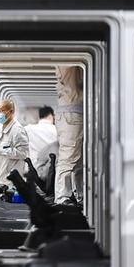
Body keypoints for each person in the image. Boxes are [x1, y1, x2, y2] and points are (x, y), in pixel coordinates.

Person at [54, 66, 84, 205]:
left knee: (79, 160)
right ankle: (62, 198)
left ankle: (81, 196)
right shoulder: (71, 62)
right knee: (68, 157)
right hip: (72, 113)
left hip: (73, 112)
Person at [0, 99, 29, 187]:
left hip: (11, 181)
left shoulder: (18, 130)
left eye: (1, 110)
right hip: (0, 178)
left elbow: (23, 153)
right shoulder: (0, 128)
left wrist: (0, 152)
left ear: (11, 112)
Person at [25, 105, 59, 181]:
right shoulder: (57, 130)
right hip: (50, 171)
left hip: (32, 169)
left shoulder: (28, 129)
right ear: (50, 116)